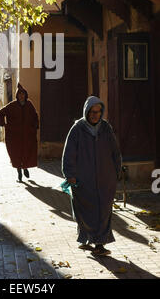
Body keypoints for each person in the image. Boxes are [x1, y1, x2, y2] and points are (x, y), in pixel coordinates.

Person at [61, 95, 122, 256]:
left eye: (98, 111)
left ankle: (99, 245)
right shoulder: (77, 129)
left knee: (103, 211)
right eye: (92, 112)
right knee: (84, 211)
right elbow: (69, 155)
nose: (95, 115)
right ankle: (86, 238)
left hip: (105, 179)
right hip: (83, 180)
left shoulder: (106, 128)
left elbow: (115, 152)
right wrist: (70, 174)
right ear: (86, 112)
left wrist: (116, 172)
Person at [0, 83, 39, 182]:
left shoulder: (29, 105)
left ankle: (25, 168)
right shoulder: (12, 106)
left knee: (26, 152)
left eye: (23, 94)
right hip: (14, 136)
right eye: (19, 94)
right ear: (17, 95)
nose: (21, 96)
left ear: (25, 95)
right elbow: (0, 113)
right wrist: (3, 124)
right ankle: (19, 172)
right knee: (16, 153)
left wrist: (35, 126)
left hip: (27, 135)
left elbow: (35, 115)